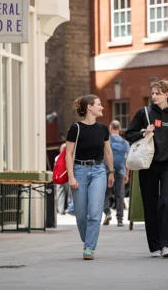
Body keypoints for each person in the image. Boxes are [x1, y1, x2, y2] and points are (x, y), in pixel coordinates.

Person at [126, 79, 168, 258]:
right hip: (148, 164)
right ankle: (154, 246)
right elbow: (128, 134)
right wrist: (143, 132)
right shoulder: (144, 113)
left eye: (157, 93)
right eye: (152, 93)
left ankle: (166, 245)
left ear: (166, 94)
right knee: (150, 204)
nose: (153, 96)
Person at [66, 94, 115, 260]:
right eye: (99, 104)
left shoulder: (102, 129)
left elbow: (108, 152)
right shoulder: (76, 128)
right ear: (89, 107)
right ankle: (88, 239)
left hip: (98, 171)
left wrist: (111, 171)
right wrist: (71, 176)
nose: (102, 107)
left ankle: (89, 247)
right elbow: (68, 154)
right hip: (79, 170)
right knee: (81, 215)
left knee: (94, 213)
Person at [103, 120, 130, 227]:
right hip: (121, 171)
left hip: (107, 171)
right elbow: (128, 160)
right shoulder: (125, 143)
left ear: (110, 128)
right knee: (120, 195)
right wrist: (127, 174)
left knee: (105, 194)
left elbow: (104, 155)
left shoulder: (107, 141)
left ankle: (107, 213)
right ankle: (120, 220)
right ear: (119, 129)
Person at [55, 143, 70, 214]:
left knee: (62, 193)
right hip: (64, 177)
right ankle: (65, 209)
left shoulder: (57, 157)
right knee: (67, 193)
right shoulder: (69, 157)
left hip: (62, 177)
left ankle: (62, 209)